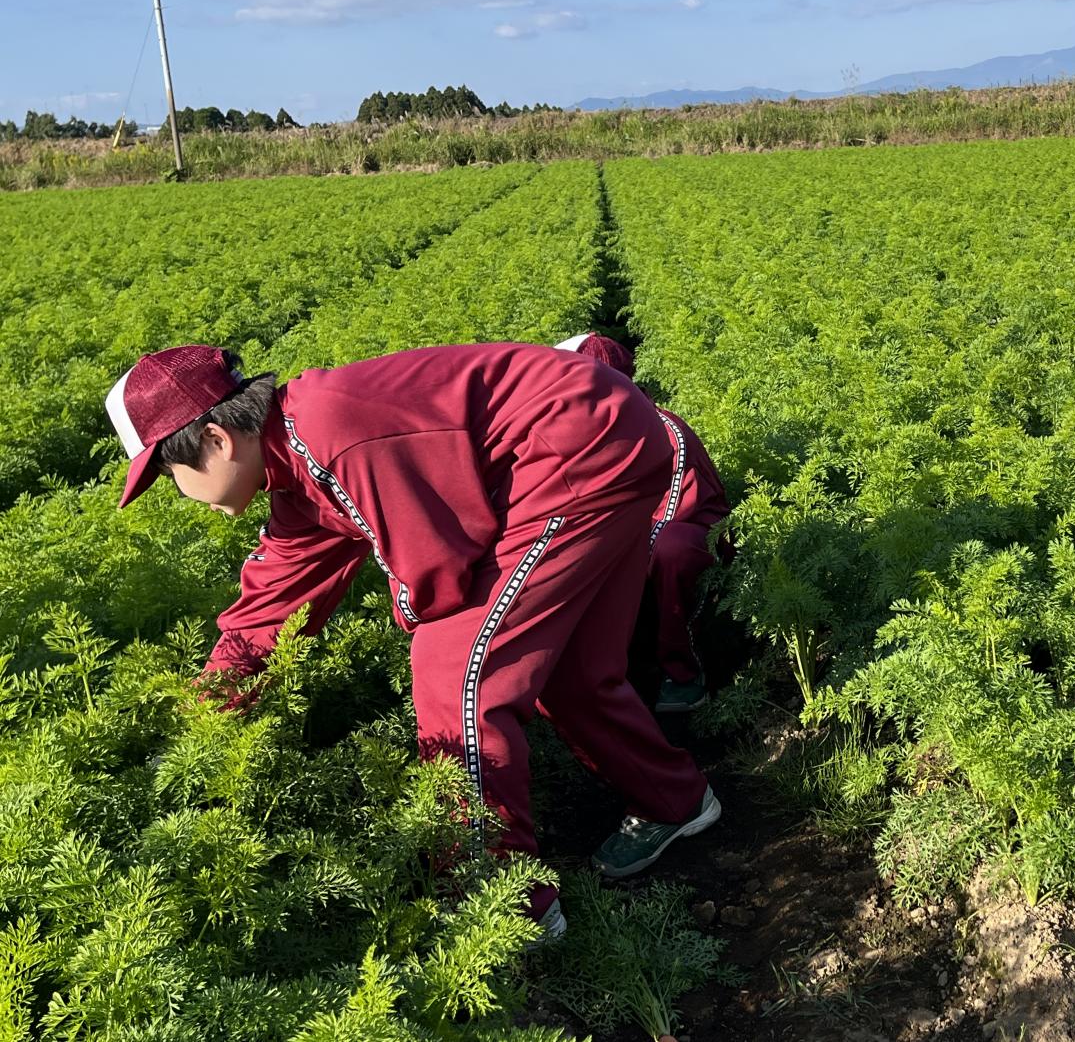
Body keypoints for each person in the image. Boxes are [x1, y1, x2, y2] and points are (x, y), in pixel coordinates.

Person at [105, 342, 724, 942]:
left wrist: (419, 614)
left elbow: (435, 569)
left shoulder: (328, 435)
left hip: (571, 452)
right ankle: (676, 800)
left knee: (457, 682)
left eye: (170, 472)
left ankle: (500, 908)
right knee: (569, 669)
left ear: (216, 439)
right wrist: (210, 704)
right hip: (603, 433)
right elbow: (274, 598)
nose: (180, 491)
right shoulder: (295, 461)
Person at [556, 332, 733, 714]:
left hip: (689, 537)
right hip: (629, 545)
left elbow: (673, 511)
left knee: (673, 548)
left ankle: (684, 672)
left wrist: (609, 551)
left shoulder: (663, 429)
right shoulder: (578, 438)